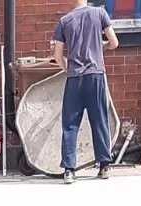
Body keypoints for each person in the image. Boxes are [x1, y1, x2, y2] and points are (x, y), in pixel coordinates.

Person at [51, 0, 119, 182]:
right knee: (100, 120)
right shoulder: (100, 14)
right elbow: (114, 42)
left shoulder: (64, 21)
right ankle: (105, 166)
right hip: (95, 75)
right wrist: (100, 46)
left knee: (70, 123)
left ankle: (69, 170)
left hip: (75, 78)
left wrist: (67, 69)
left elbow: (57, 55)